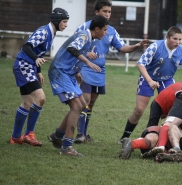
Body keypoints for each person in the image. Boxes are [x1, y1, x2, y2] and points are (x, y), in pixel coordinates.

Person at [73, 0, 149, 143]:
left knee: (91, 103)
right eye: (104, 11)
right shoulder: (84, 27)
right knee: (85, 100)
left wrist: (136, 46)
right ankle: (79, 135)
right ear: (96, 12)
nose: (107, 14)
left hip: (100, 71)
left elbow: (122, 47)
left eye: (109, 12)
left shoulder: (111, 30)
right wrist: (86, 53)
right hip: (85, 68)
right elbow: (73, 46)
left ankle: (84, 134)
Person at [118, 26, 182, 143]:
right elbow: (140, 64)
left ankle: (177, 138)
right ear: (167, 37)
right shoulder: (155, 47)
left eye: (180, 39)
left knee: (174, 110)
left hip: (167, 80)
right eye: (175, 39)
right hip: (148, 78)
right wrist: (149, 80)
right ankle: (124, 137)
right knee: (139, 110)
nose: (178, 42)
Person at [47, 15, 108, 156]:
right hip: (60, 71)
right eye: (104, 30)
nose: (105, 33)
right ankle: (67, 147)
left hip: (69, 73)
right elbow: (73, 49)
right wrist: (87, 62)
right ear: (97, 29)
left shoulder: (90, 39)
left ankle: (57, 135)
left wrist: (77, 70)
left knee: (81, 104)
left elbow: (76, 54)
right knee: (76, 106)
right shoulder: (85, 35)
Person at [9, 8, 69, 146]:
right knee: (40, 98)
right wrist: (35, 60)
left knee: (27, 103)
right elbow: (27, 47)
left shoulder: (51, 32)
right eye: (64, 22)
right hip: (24, 66)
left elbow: (39, 52)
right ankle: (29, 134)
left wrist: (38, 71)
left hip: (28, 67)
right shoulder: (43, 32)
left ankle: (16, 137)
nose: (66, 25)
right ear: (57, 20)